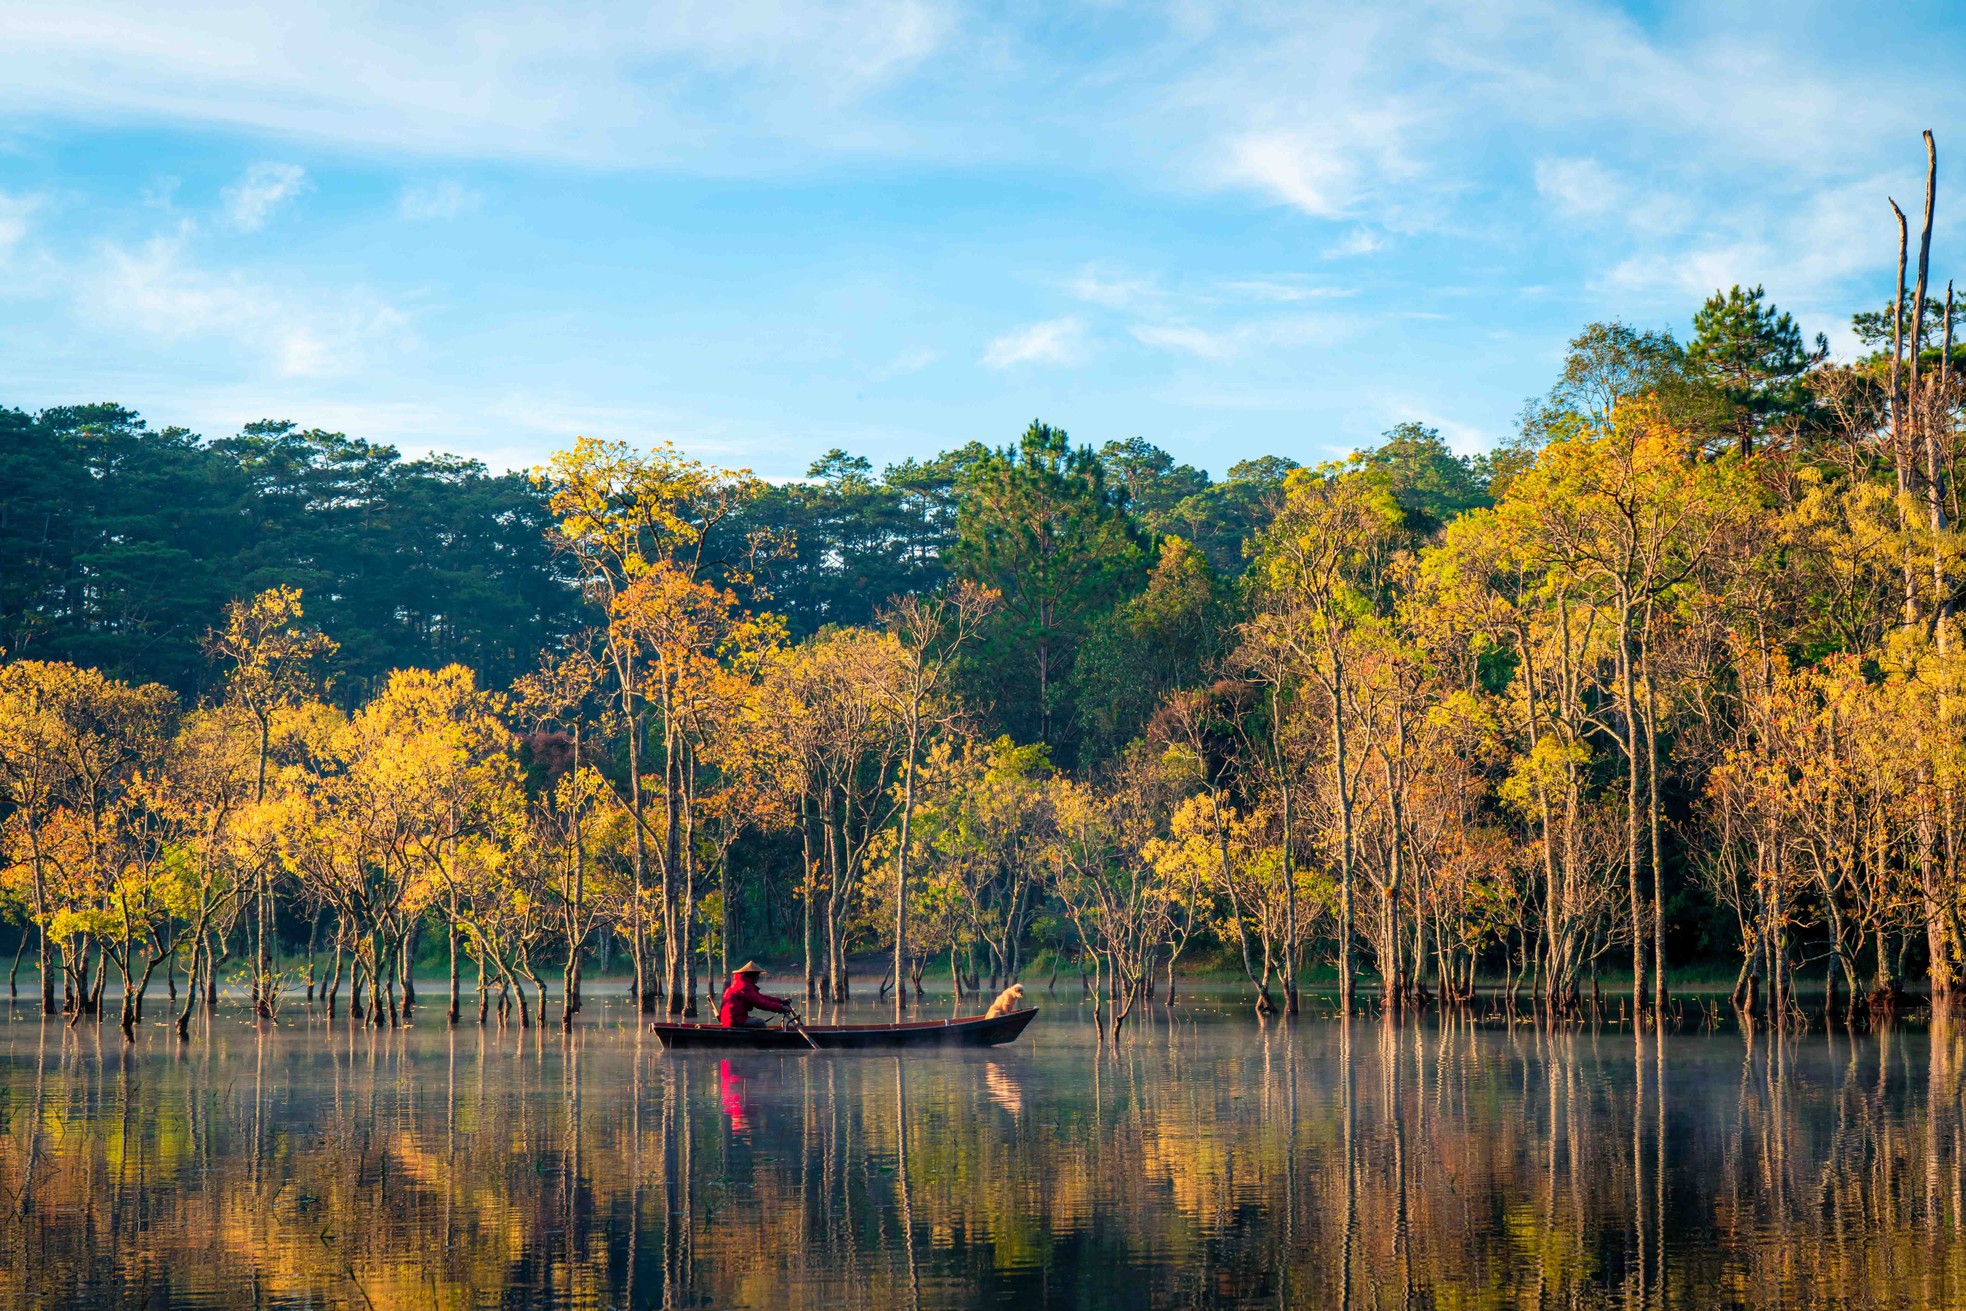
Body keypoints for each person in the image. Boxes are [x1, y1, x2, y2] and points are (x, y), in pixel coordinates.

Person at [719, 961, 795, 1029]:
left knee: (758, 1022)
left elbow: (760, 997)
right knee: (760, 1023)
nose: (758, 977)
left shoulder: (743, 984)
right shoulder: (743, 986)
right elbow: (759, 1003)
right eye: (757, 975)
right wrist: (780, 1007)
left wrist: (780, 1001)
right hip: (733, 1020)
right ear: (752, 975)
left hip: (736, 1018)